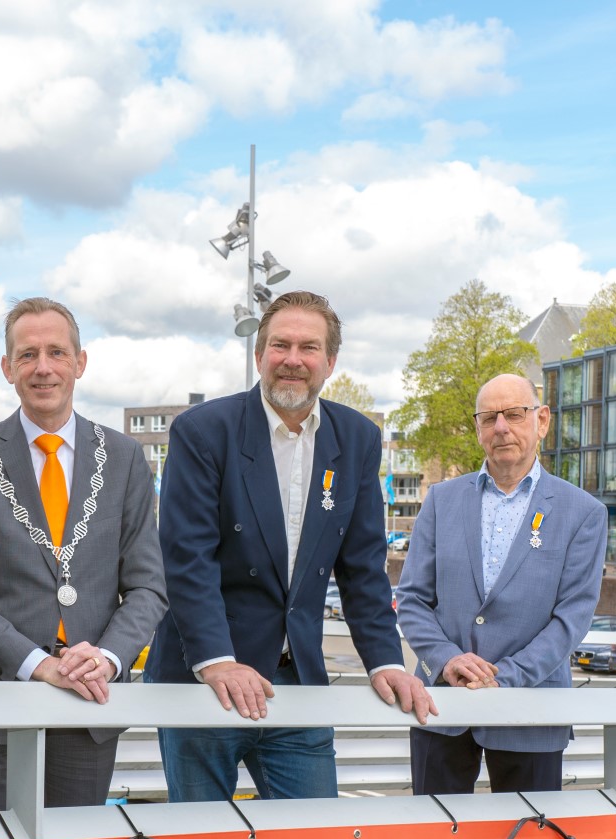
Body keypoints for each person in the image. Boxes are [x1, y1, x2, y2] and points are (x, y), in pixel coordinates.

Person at [146, 290, 434, 801]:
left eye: (308, 348)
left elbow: (363, 566)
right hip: (206, 681)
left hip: (295, 681)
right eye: (280, 346)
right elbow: (188, 559)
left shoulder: (358, 439)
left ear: (330, 361)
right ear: (260, 356)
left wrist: (386, 662)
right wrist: (217, 660)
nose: (293, 360)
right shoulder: (203, 431)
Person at [0, 297, 166, 811]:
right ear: (7, 367)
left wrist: (106, 658)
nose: (43, 368)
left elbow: (149, 586)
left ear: (80, 362)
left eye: (57, 352)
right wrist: (36, 664)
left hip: (89, 707)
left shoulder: (126, 458)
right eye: (28, 354)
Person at [395, 373, 608, 794]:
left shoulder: (583, 512)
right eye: (489, 417)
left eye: (514, 414)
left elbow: (571, 620)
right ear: (477, 428)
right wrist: (448, 659)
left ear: (542, 420)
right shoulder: (441, 500)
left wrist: (502, 678)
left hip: (532, 714)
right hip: (442, 706)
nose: (501, 428)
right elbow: (412, 598)